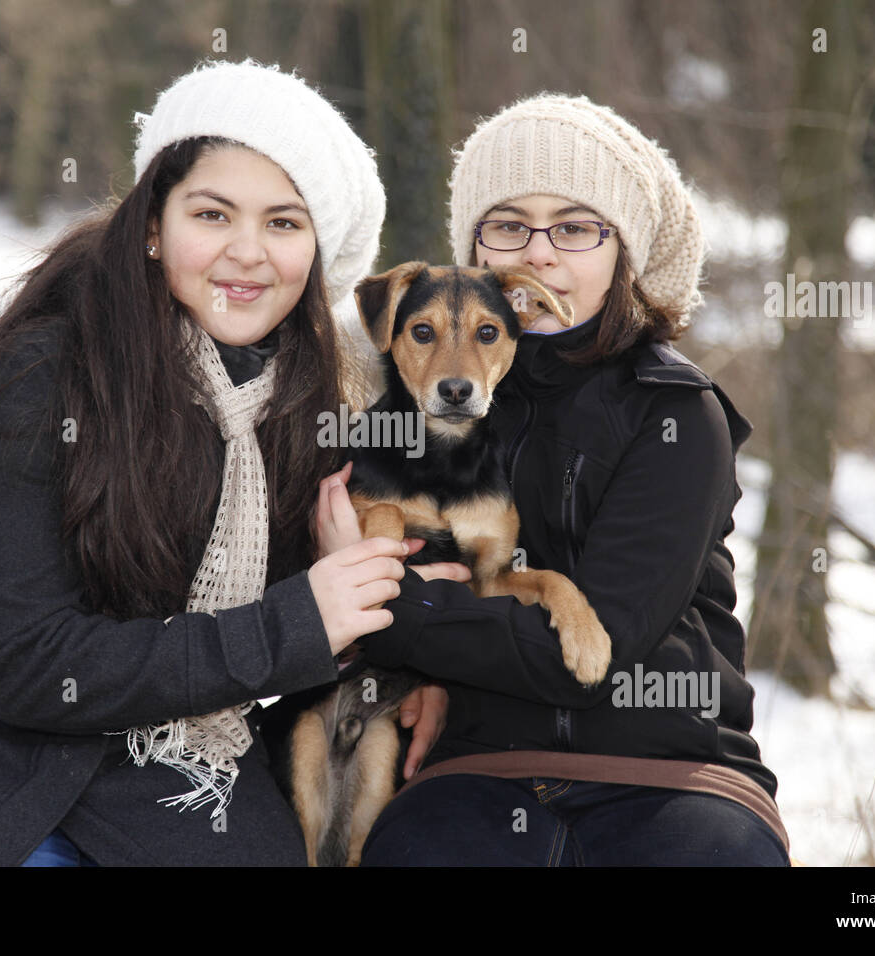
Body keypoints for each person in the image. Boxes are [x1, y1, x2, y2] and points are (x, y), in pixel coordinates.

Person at [0, 58, 457, 867]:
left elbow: (341, 605)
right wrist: (301, 619)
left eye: (283, 223)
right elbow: (31, 665)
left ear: (315, 258)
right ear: (153, 226)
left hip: (180, 777)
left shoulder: (311, 413)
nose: (247, 253)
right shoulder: (47, 371)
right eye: (213, 213)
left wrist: (415, 644)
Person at [320, 93, 792, 866]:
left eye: (574, 227)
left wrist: (397, 613)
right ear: (474, 251)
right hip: (475, 766)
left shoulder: (674, 414)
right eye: (508, 226)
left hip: (666, 770)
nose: (538, 253)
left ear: (622, 251)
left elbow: (595, 653)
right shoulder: (420, 399)